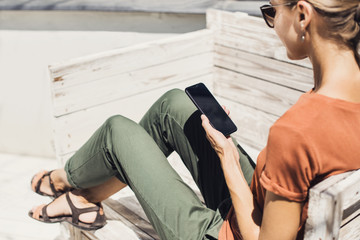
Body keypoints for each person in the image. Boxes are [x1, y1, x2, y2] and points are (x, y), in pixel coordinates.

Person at [29, 0, 360, 239]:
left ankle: (65, 182)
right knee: (176, 105)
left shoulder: (297, 130)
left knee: (117, 131)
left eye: (272, 11)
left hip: (221, 233)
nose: (272, 23)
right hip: (260, 203)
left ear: (302, 15)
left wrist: (228, 159)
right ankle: (82, 196)